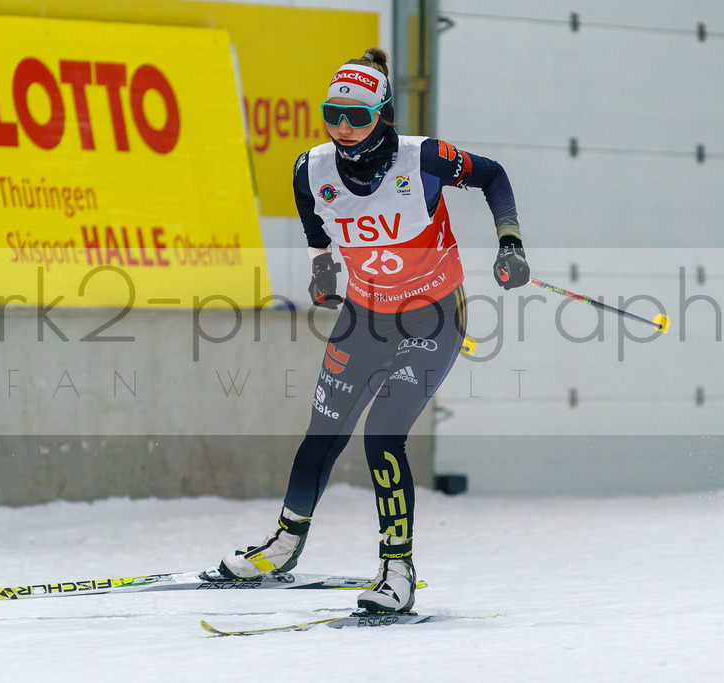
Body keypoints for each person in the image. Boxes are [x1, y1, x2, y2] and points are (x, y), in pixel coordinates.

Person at [219, 47, 530, 613]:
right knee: (323, 431)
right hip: (363, 314)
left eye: (356, 117)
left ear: (384, 115)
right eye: (331, 114)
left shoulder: (425, 159)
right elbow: (315, 219)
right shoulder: (309, 168)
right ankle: (284, 545)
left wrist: (509, 240)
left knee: (382, 435)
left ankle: (397, 569)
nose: (341, 128)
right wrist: (322, 267)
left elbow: (494, 176)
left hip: (432, 318)